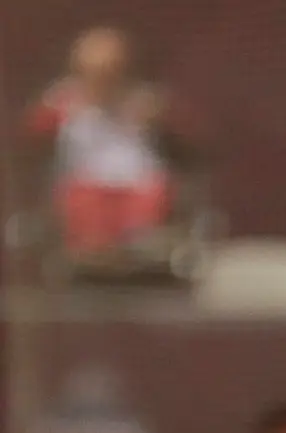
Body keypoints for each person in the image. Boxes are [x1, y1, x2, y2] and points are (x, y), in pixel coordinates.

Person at [24, 27, 180, 261]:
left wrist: (155, 116)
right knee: (81, 204)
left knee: (151, 199)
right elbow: (33, 131)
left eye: (110, 73)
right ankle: (93, 255)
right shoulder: (64, 100)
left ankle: (138, 250)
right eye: (96, 74)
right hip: (85, 183)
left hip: (138, 183)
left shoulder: (143, 101)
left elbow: (182, 132)